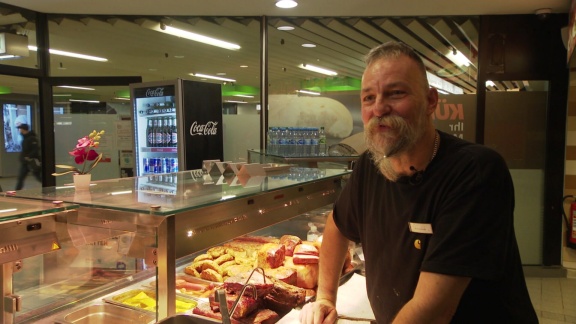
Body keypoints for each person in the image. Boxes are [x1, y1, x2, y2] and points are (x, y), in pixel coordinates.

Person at [299, 41, 538, 323]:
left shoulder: (475, 172)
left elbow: (433, 311)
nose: (379, 109)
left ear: (431, 101)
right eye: (368, 98)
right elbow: (338, 227)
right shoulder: (370, 166)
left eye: (396, 93)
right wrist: (325, 297)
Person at [15, 123, 42, 190]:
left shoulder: (32, 138)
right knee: (21, 177)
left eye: (20, 129)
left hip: (32, 161)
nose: (19, 130)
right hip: (25, 162)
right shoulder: (25, 138)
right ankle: (17, 191)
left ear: (24, 129)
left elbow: (36, 149)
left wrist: (29, 156)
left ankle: (49, 186)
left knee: (38, 177)